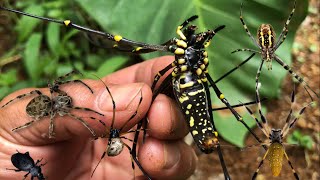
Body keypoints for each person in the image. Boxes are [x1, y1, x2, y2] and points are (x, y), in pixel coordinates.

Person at [0, 56, 197, 179]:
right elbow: (78, 118)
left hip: (110, 146)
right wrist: (94, 114)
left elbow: (72, 103)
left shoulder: (60, 102)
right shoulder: (56, 113)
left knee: (155, 138)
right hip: (56, 120)